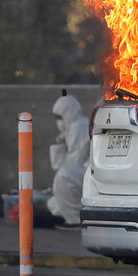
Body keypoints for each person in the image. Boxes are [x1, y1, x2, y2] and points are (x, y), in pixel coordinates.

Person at [47, 91, 90, 230]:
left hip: (89, 172)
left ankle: (75, 221)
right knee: (53, 204)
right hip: (83, 173)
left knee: (63, 177)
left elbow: (72, 164)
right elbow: (60, 165)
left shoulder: (79, 127)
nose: (58, 121)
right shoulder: (70, 130)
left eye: (60, 117)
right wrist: (58, 145)